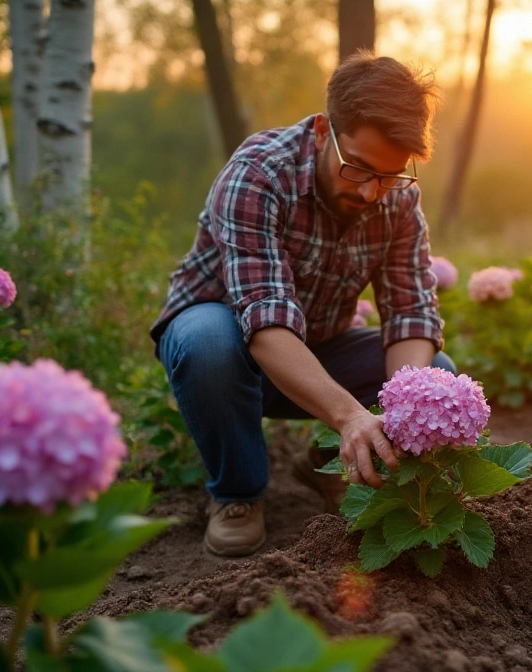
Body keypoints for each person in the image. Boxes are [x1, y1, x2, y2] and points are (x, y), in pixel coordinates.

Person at [149, 52, 454, 557]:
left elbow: (410, 312)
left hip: (316, 349)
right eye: (358, 168)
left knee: (430, 375)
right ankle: (238, 495)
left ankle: (335, 460)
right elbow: (264, 319)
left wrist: (402, 403)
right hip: (223, 350)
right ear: (320, 131)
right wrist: (351, 415)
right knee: (209, 342)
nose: (371, 191)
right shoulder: (259, 173)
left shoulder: (396, 197)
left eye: (389, 175)